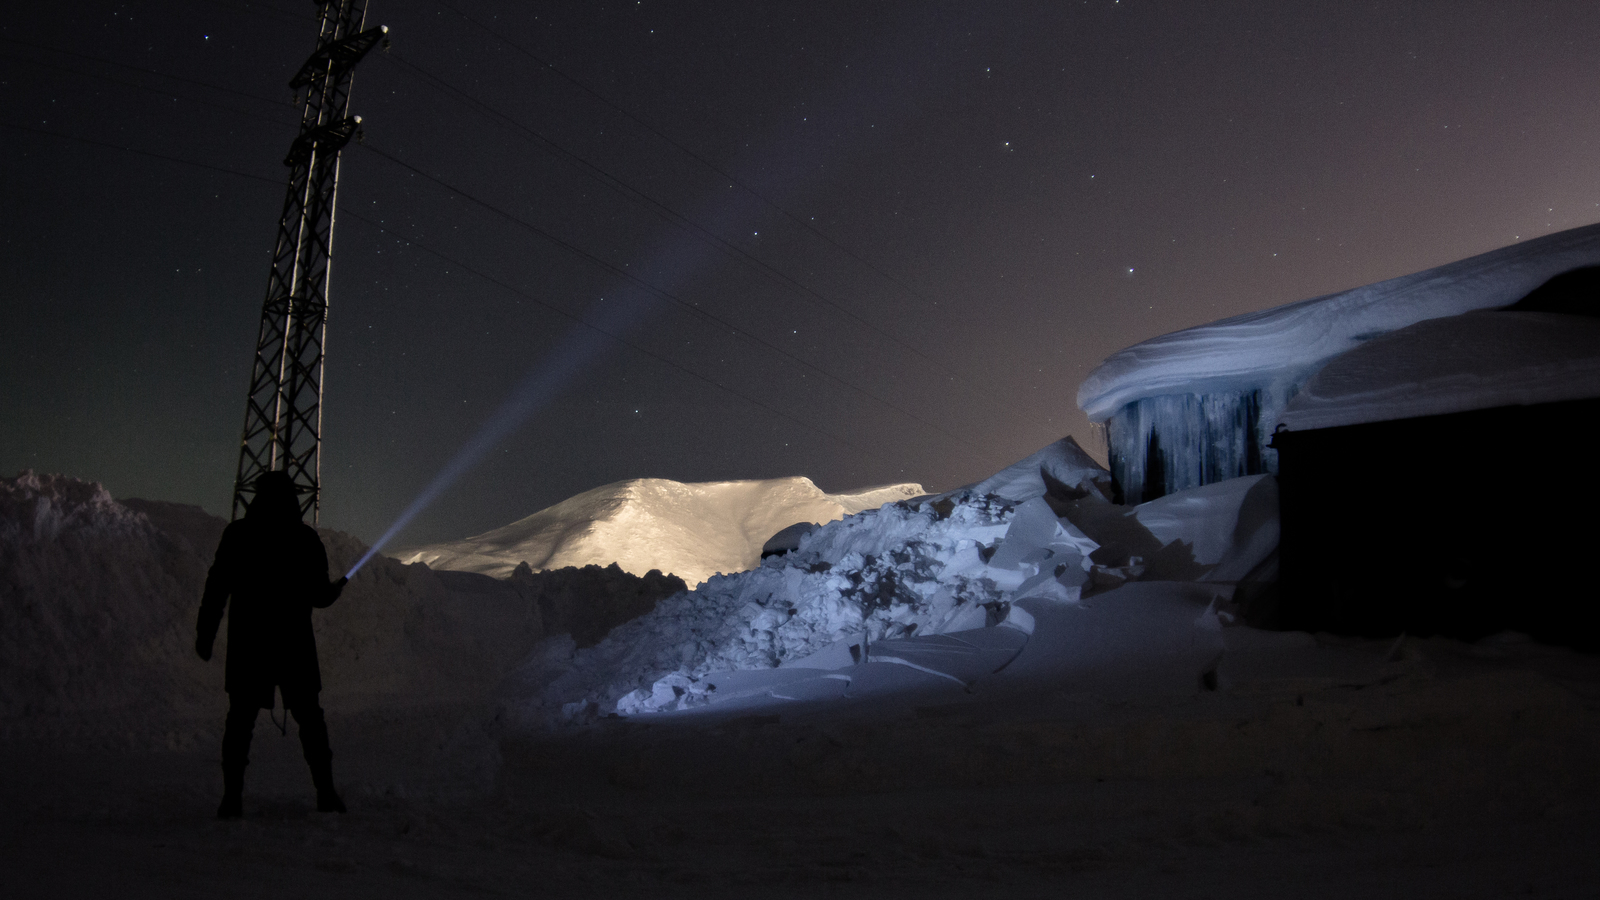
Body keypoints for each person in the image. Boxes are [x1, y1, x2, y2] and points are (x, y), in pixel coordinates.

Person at [196, 470, 348, 819]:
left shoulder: (238, 535)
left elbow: (216, 587)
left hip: (250, 645)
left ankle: (231, 800)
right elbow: (318, 596)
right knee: (310, 721)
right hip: (294, 645)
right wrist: (335, 590)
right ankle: (325, 794)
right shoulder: (305, 539)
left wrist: (205, 634)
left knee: (240, 723)